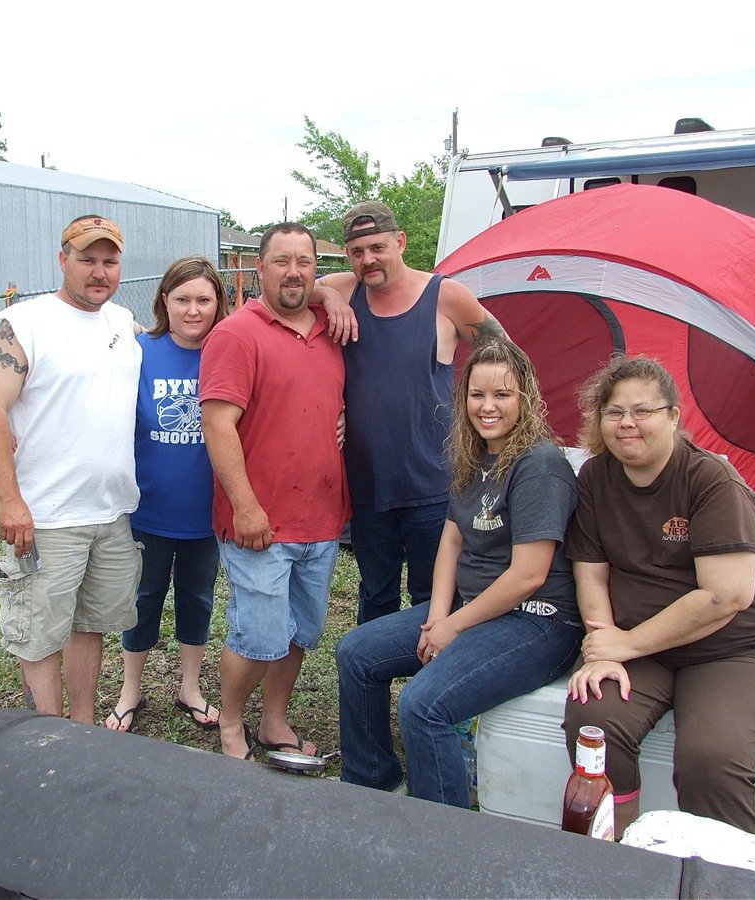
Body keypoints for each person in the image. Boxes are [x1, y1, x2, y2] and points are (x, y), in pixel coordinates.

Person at [564, 355, 755, 837]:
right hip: (638, 647)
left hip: (737, 652)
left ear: (674, 416)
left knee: (709, 759)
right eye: (613, 412)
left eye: (643, 410)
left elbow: (725, 596)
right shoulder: (596, 477)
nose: (626, 423)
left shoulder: (711, 480)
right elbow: (590, 574)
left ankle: (733, 880)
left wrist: (626, 645)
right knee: (594, 722)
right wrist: (603, 641)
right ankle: (619, 853)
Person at [336, 339, 583, 806]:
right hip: (474, 608)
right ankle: (373, 785)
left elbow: (529, 575)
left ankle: (444, 830)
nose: (487, 407)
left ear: (525, 397)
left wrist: (453, 626)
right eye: (477, 395)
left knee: (424, 706)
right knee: (356, 653)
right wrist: (438, 615)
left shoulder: (539, 464)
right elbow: (452, 538)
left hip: (537, 620)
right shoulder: (476, 454)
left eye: (502, 395)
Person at [0, 214, 142, 722]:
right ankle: (49, 736)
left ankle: (83, 729)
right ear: (62, 259)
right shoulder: (24, 324)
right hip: (46, 517)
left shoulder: (121, 321)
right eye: (87, 259)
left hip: (111, 513)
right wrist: (9, 500)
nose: (99, 271)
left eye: (109, 261)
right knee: (40, 635)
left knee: (88, 624)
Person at [200, 223, 350, 761]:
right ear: (258, 268)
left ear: (316, 269)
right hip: (259, 522)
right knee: (257, 635)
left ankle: (274, 720)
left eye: (305, 262)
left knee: (300, 631)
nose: (293, 271)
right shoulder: (236, 334)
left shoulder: (331, 330)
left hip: (322, 516)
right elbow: (217, 426)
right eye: (281, 261)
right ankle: (232, 725)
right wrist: (245, 506)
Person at [316, 200, 506, 624]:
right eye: (357, 252)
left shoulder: (446, 296)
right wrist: (328, 294)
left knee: (433, 599)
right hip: (367, 484)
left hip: (433, 483)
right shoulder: (347, 290)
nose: (368, 260)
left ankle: (429, 689)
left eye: (378, 248)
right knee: (376, 596)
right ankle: (372, 685)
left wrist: (488, 419)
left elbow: (505, 356)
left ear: (400, 242)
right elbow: (290, 286)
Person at [105, 257, 230, 733]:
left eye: (203, 299)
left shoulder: (230, 349)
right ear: (164, 301)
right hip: (148, 508)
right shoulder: (139, 351)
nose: (193, 310)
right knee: (143, 596)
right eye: (182, 299)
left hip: (206, 510)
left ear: (218, 302)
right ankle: (130, 690)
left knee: (197, 597)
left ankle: (190, 687)